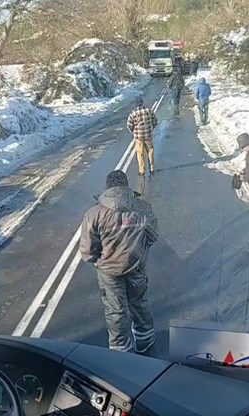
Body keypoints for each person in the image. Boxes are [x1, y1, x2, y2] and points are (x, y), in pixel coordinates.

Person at [80, 170, 159, 354]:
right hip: (136, 266)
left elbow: (87, 250)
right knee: (139, 303)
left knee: (115, 310)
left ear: (108, 188)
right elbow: (153, 236)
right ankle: (144, 340)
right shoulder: (142, 207)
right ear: (126, 186)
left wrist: (97, 259)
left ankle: (120, 348)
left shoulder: (93, 214)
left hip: (108, 271)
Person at [126, 97, 158, 176]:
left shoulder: (133, 113)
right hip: (148, 135)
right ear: (142, 102)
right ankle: (152, 167)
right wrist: (151, 128)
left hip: (138, 136)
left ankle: (141, 169)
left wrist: (133, 132)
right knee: (150, 151)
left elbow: (129, 125)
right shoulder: (149, 111)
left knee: (140, 153)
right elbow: (155, 121)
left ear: (136, 104)